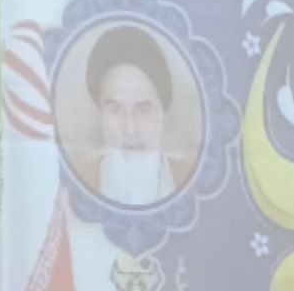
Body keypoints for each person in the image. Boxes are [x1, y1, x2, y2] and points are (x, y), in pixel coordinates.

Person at [66, 23, 198, 206]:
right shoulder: (75, 184)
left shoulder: (191, 181)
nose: (129, 129)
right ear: (100, 114)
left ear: (162, 112)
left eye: (143, 110)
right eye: (115, 109)